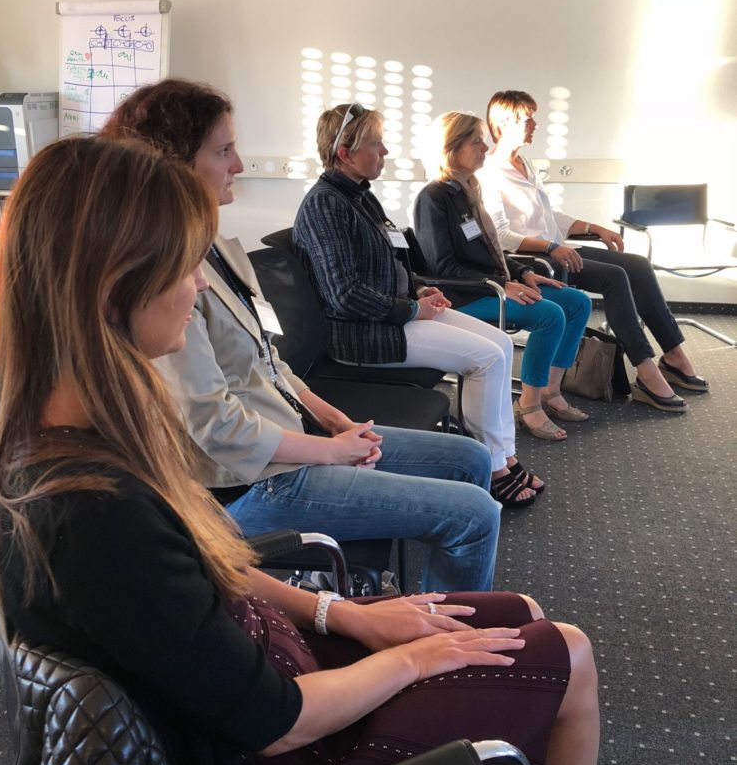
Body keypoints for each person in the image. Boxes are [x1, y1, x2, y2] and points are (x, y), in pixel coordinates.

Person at [0, 133, 656, 765]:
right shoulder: (93, 513)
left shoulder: (74, 439)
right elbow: (278, 724)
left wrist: (345, 613)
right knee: (569, 652)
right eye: (182, 267)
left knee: (517, 614)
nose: (197, 284)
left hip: (267, 675)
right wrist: (410, 661)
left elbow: (206, 567)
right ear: (113, 289)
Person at [100, 79, 498, 589]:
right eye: (223, 151)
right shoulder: (165, 276)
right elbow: (213, 425)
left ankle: (434, 608)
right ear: (173, 163)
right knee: (473, 515)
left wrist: (332, 419)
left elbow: (268, 359)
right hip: (249, 483)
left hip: (289, 437)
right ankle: (445, 635)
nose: (239, 164)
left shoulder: (216, 248)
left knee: (470, 458)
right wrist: (330, 450)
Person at [292, 102, 542, 508]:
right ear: (346, 154)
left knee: (499, 344)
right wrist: (410, 309)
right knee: (485, 359)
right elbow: (344, 294)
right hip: (363, 333)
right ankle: (493, 468)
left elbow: (388, 265)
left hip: (390, 316)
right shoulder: (326, 204)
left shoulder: (359, 197)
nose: (385, 151)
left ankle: (505, 456)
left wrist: (417, 291)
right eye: (377, 144)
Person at [481, 90, 709, 414]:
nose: (535, 124)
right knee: (615, 277)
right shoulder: (489, 172)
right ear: (505, 123)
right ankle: (646, 369)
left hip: (559, 249)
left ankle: (673, 355)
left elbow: (551, 217)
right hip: (535, 259)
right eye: (528, 119)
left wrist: (595, 227)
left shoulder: (524, 164)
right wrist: (550, 246)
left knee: (638, 265)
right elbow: (500, 235)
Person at [415, 112, 593, 441]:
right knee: (549, 315)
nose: (486, 147)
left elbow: (491, 251)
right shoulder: (433, 197)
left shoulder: (469, 190)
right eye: (477, 141)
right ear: (452, 148)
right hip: (463, 296)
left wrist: (524, 272)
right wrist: (502, 285)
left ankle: (551, 392)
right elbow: (442, 268)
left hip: (490, 287)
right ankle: (529, 405)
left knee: (577, 303)